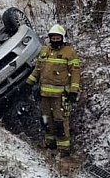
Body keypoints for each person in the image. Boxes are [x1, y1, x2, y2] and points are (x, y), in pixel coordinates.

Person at [25, 24, 81, 155]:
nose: (55, 40)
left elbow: (75, 72)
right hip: (44, 94)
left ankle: (63, 149)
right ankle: (49, 143)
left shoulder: (69, 52)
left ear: (62, 38)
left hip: (60, 96)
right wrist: (29, 83)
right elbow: (38, 69)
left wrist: (74, 91)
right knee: (45, 119)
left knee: (60, 121)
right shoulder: (44, 51)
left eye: (58, 38)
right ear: (50, 38)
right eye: (53, 38)